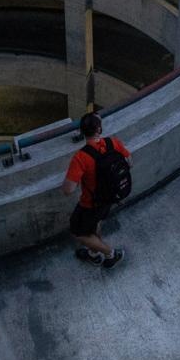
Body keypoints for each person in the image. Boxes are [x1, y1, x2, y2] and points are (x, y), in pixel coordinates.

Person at [61, 112, 130, 268]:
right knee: (95, 223)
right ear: (99, 129)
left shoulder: (81, 157)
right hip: (110, 197)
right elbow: (129, 162)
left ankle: (111, 254)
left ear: (82, 131)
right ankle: (93, 254)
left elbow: (68, 190)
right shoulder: (113, 143)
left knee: (78, 232)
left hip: (90, 203)